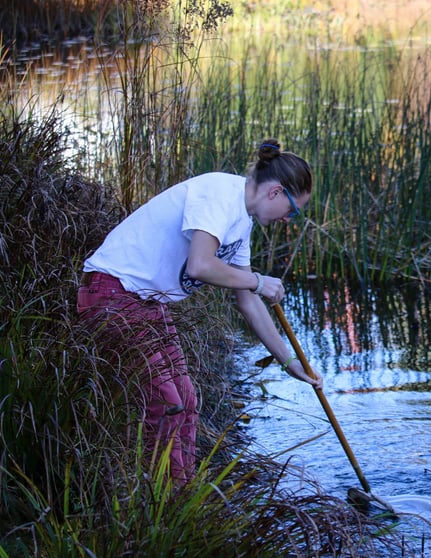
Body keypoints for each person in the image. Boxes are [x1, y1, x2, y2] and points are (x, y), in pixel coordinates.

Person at [77, 139, 323, 484]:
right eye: (292, 210)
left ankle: (181, 495)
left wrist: (289, 362)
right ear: (275, 192)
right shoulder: (219, 194)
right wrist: (257, 280)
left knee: (186, 400)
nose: (288, 220)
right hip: (112, 293)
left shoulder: (243, 223)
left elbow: (247, 301)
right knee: (165, 402)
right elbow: (199, 266)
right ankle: (160, 504)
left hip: (149, 303)